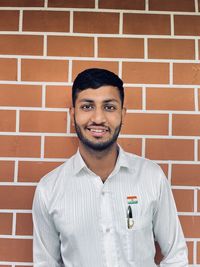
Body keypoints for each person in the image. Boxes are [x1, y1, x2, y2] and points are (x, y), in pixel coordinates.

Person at [32, 68, 188, 267]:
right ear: (73, 114)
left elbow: (177, 256)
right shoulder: (49, 189)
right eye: (87, 106)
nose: (98, 118)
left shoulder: (151, 177)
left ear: (123, 113)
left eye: (109, 107)